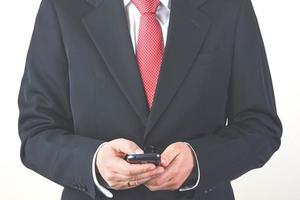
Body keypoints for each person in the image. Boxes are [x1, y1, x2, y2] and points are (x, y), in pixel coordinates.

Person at [17, 0, 282, 199]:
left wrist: (200, 161)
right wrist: (93, 162)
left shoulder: (229, 6)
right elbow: (37, 132)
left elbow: (260, 125)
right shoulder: (63, 7)